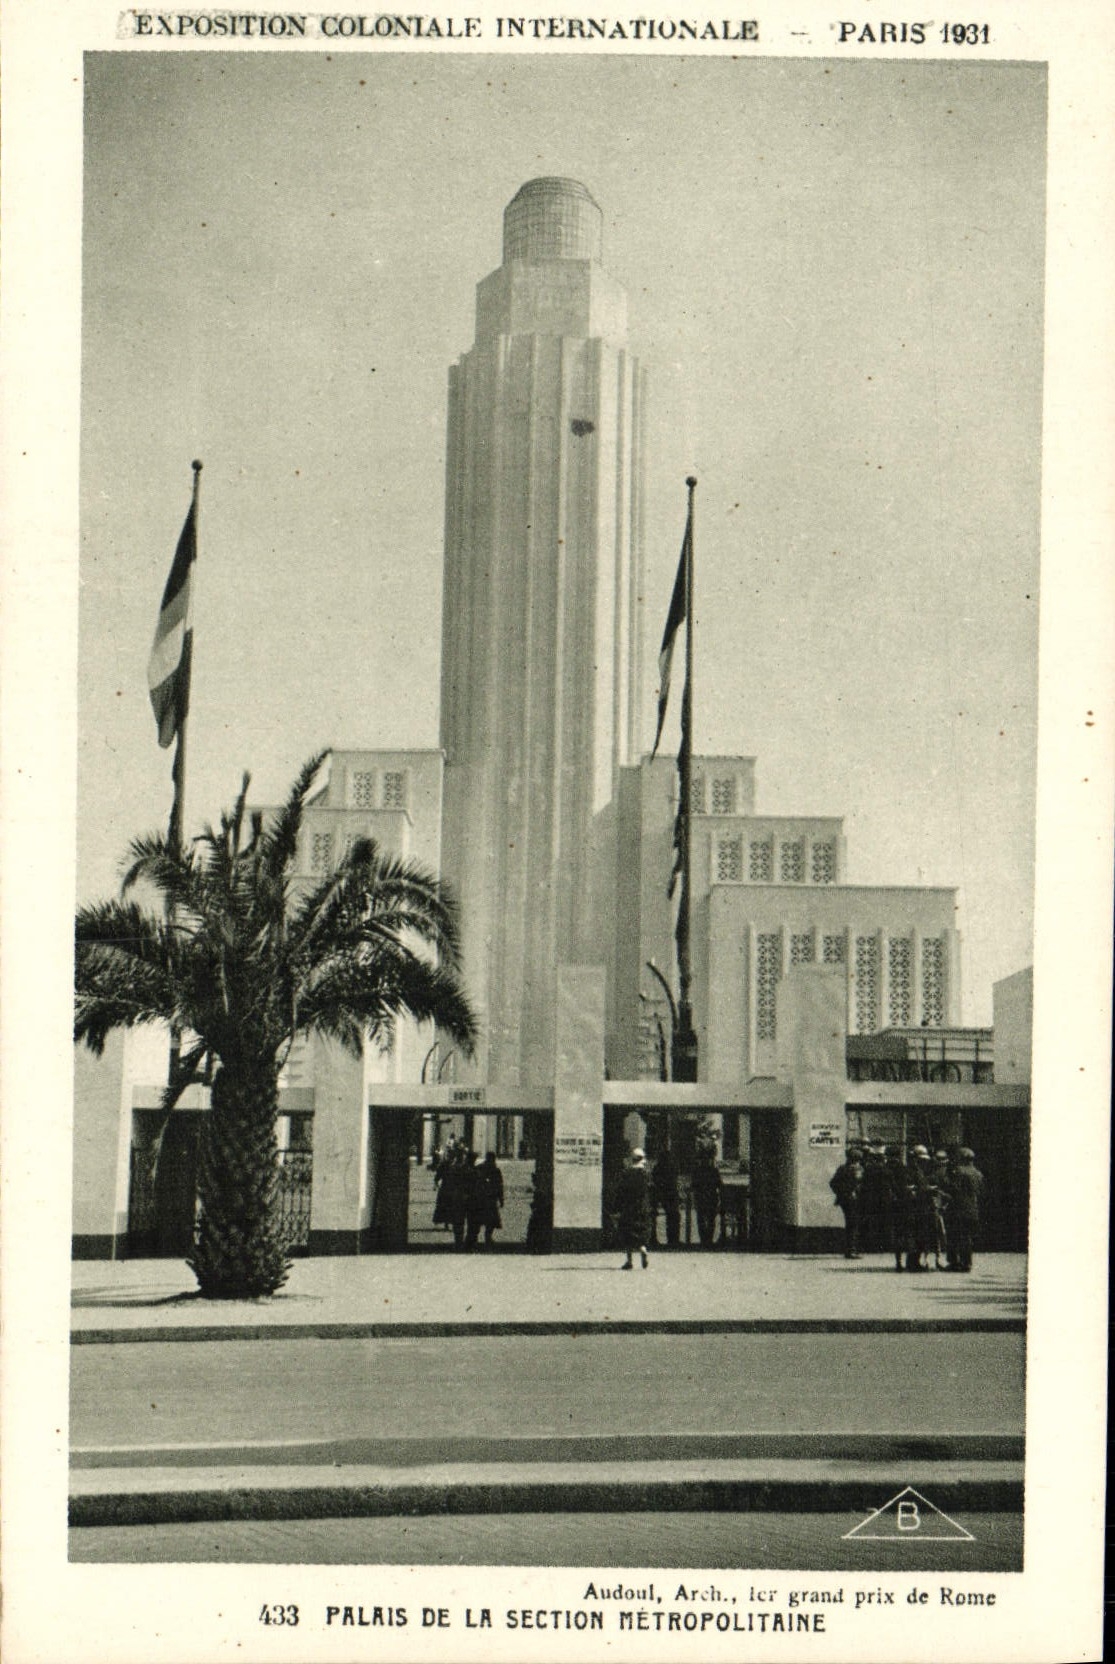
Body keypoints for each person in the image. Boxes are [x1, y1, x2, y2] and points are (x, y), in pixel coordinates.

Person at [946, 1147, 985, 1272]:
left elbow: (954, 1189)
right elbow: (981, 1191)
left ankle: (954, 1262)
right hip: (973, 1209)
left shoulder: (959, 1171)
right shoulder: (978, 1173)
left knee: (954, 1236)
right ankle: (967, 1262)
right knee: (967, 1237)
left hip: (958, 1208)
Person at [615, 1149, 652, 1270]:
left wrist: (617, 1206)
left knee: (628, 1233)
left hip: (629, 1207)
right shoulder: (646, 1174)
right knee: (642, 1230)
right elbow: (651, 1190)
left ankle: (629, 1261)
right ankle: (643, 1249)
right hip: (643, 1207)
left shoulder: (627, 1173)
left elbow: (620, 1191)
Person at [829, 1147, 865, 1259]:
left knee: (850, 1223)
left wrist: (841, 1193)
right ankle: (852, 1250)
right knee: (853, 1224)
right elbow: (860, 1184)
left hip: (844, 1200)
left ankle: (850, 1249)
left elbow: (833, 1183)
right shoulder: (858, 1169)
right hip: (854, 1200)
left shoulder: (842, 1168)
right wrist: (851, 1191)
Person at [691, 1150, 723, 1247]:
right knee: (710, 1219)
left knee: (702, 1219)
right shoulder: (713, 1170)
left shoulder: (697, 1171)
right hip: (710, 1197)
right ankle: (708, 1239)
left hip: (702, 1197)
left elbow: (693, 1185)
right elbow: (720, 1185)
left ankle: (704, 1239)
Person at [473, 1151, 505, 1247]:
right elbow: (499, 1186)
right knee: (490, 1220)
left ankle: (476, 1238)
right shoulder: (495, 1170)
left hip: (480, 1197)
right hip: (490, 1198)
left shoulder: (479, 1168)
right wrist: (501, 1199)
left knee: (479, 1219)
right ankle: (487, 1237)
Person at [652, 1148, 681, 1247]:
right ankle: (673, 1239)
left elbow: (655, 1180)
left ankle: (654, 1238)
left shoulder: (657, 1168)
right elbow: (674, 1180)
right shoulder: (671, 1167)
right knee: (673, 1217)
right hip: (669, 1194)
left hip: (662, 1193)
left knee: (671, 1216)